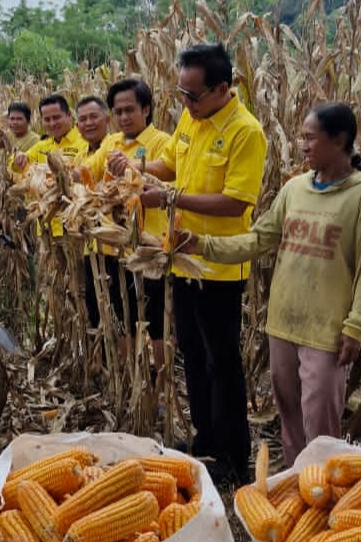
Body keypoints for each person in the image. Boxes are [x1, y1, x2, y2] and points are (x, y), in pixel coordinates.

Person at [179, 103, 361, 467]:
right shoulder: (294, 189)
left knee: (320, 426)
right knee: (289, 415)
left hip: (328, 328)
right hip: (284, 322)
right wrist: (202, 245)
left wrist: (356, 326)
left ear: (339, 139)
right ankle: (296, 488)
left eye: (310, 137)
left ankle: (324, 492)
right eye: (301, 137)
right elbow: (258, 240)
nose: (302, 145)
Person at [109, 43, 267, 485]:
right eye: (179, 94)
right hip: (180, 256)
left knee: (223, 362)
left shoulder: (244, 132)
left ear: (222, 88)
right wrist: (137, 168)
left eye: (192, 96)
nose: (184, 103)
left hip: (218, 267)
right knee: (193, 356)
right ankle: (205, 442)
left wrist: (169, 198)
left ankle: (234, 456)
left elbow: (236, 203)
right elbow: (172, 163)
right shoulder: (190, 117)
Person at [82, 79, 170, 371]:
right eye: (117, 111)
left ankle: (159, 384)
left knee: (157, 321)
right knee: (123, 314)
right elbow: (87, 173)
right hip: (115, 247)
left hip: (151, 247)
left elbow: (170, 178)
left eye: (129, 110)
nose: (122, 117)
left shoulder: (162, 143)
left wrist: (135, 168)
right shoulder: (110, 143)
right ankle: (131, 377)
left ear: (146, 109)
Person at [12, 94, 88, 172]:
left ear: (69, 115)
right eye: (47, 119)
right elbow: (15, 168)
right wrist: (18, 157)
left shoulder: (85, 142)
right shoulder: (42, 146)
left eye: (56, 117)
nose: (52, 124)